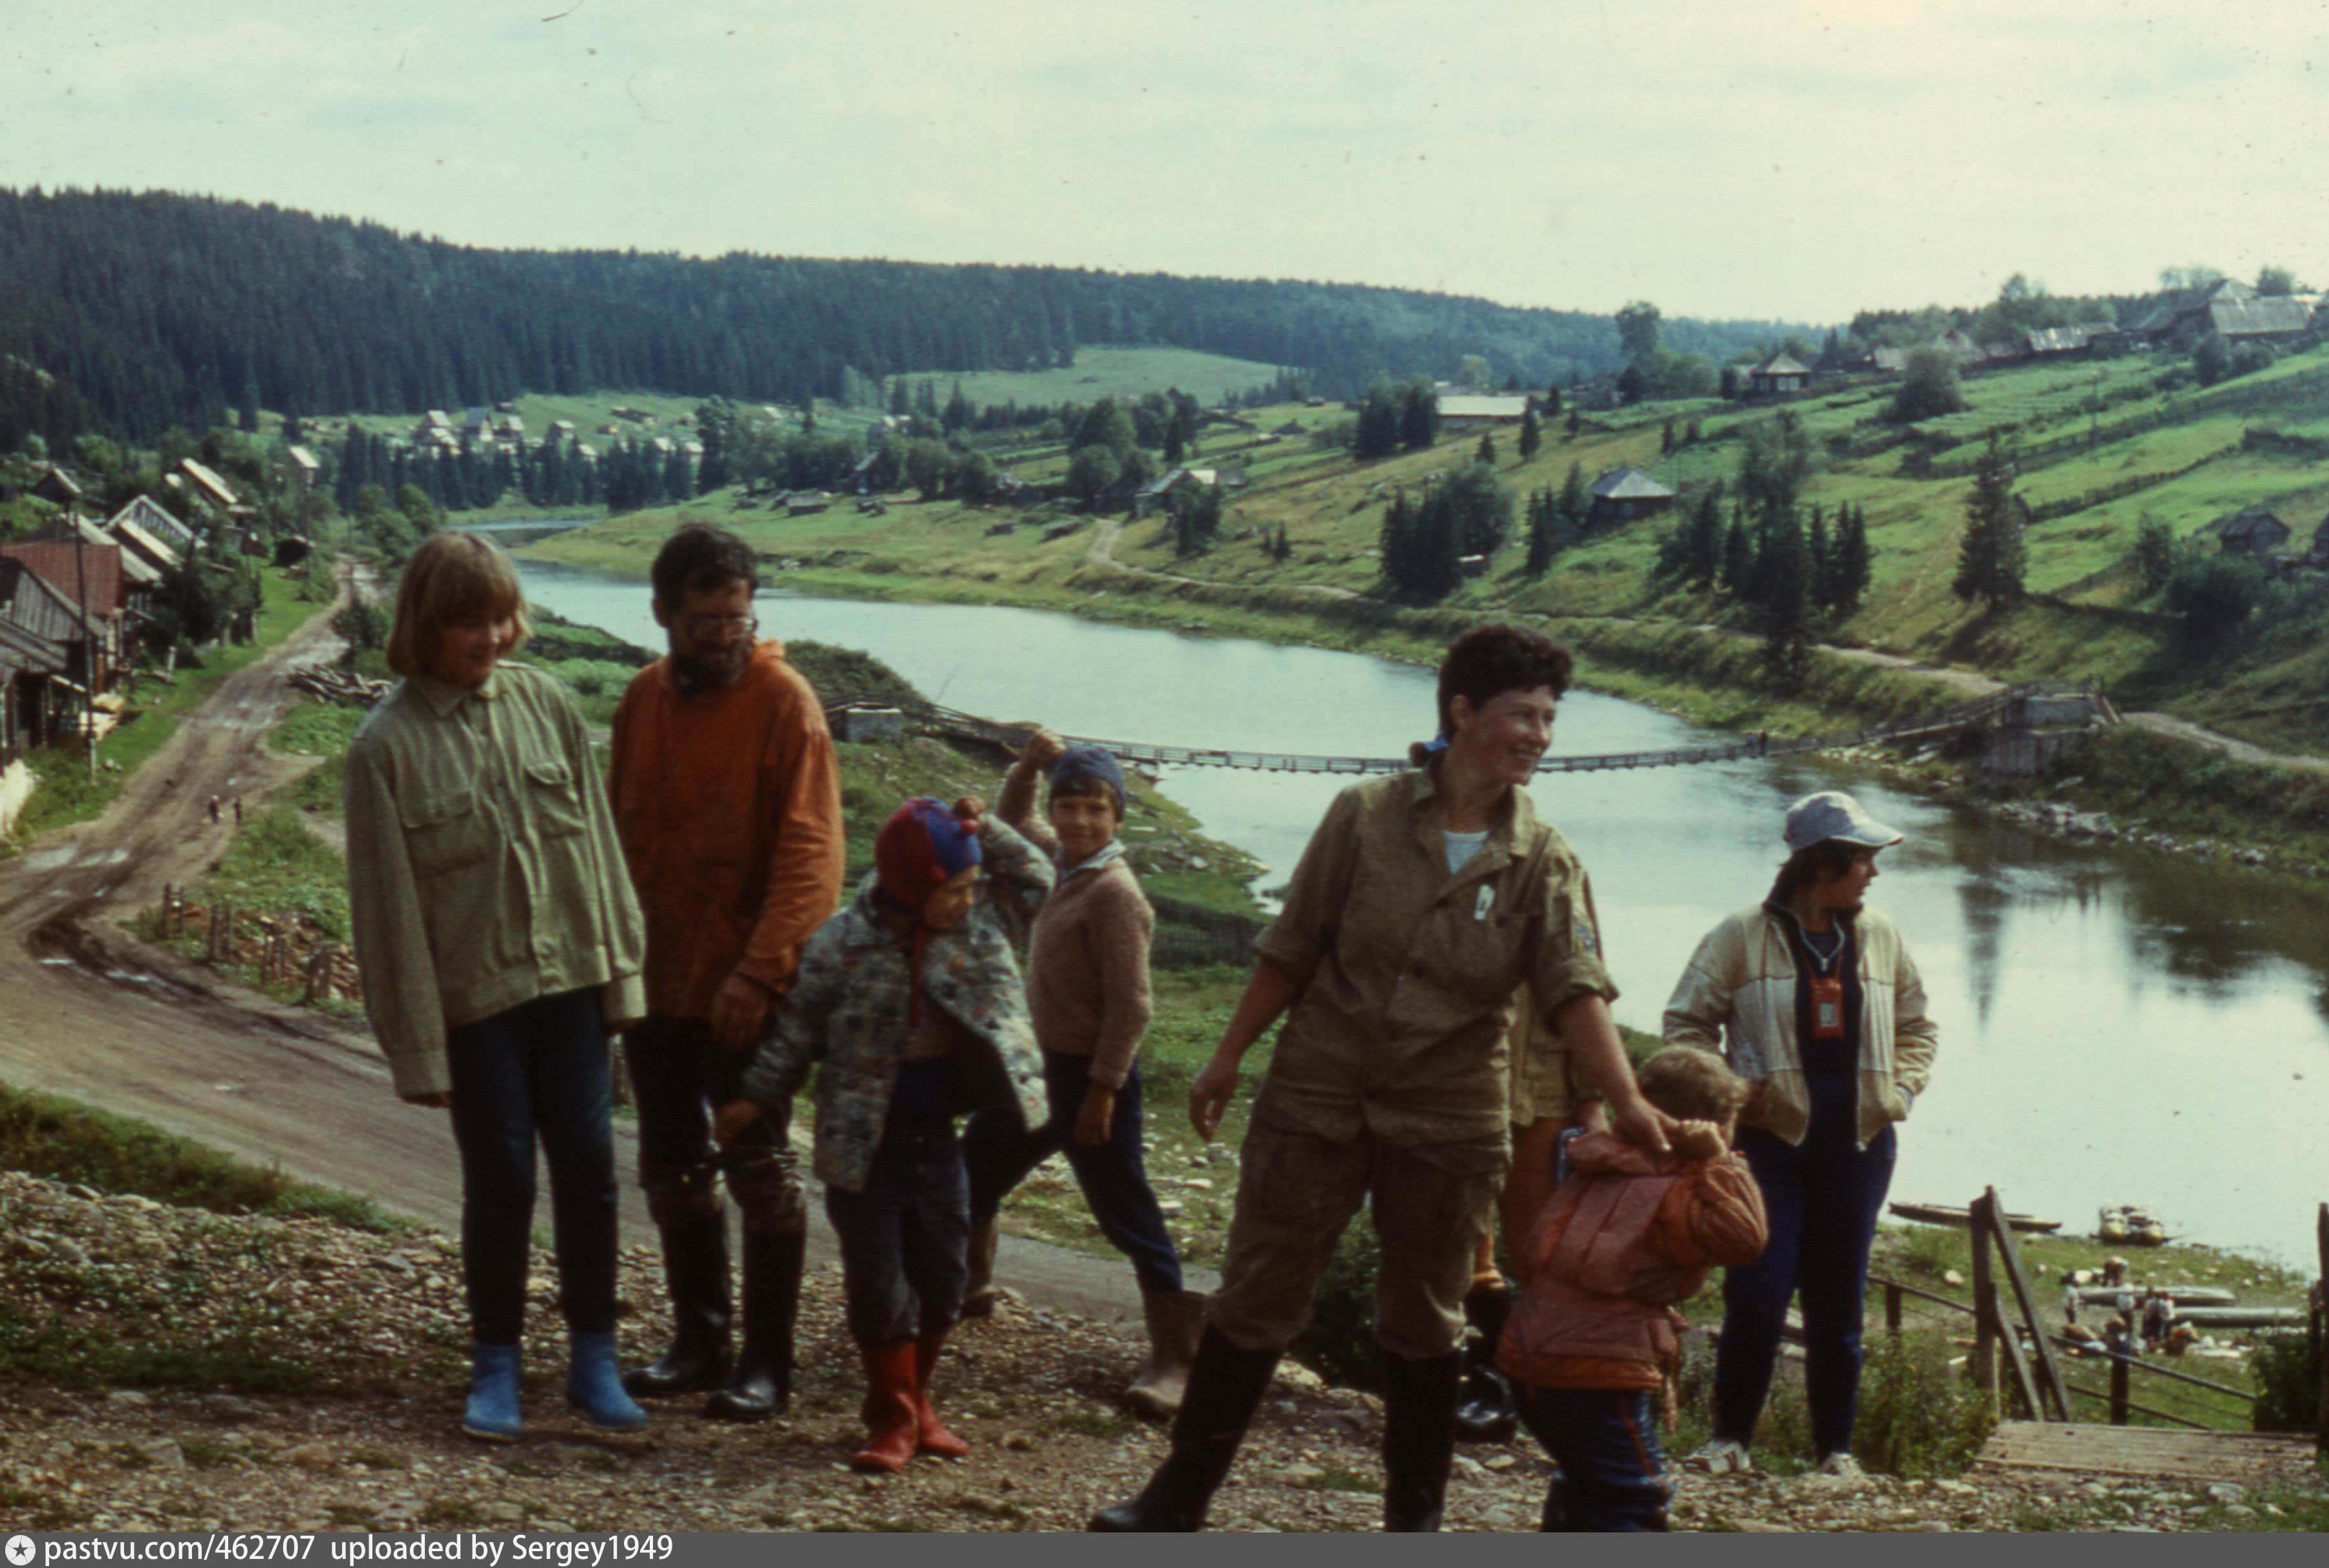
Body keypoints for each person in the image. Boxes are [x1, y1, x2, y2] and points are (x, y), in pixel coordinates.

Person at [1091, 623, 1671, 1534]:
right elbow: (1292, 947)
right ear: (1461, 711)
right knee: (1255, 1293)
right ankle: (1177, 1499)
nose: (1539, 735)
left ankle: (1412, 1526)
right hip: (1318, 1089)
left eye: (1549, 718)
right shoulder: (1360, 816)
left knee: (1426, 1317)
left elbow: (1575, 991)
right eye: (1521, 714)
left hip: (1450, 1111)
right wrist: (1225, 1055)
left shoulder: (1545, 859)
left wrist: (1628, 1100)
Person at [344, 532, 649, 1443]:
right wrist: (417, 1046)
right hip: (475, 1007)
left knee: (592, 1171)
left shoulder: (547, 704)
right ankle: (497, 1367)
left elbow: (597, 848)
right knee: (504, 1179)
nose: (492, 637)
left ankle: (595, 1358)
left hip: (569, 984)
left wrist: (621, 978)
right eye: (470, 623)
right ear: (426, 627)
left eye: (502, 617)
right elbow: (387, 914)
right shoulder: (383, 749)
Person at [718, 795, 1053, 1472]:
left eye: (969, 886)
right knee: (878, 1282)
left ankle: (919, 1402)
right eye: (953, 887)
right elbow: (799, 1028)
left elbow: (1037, 875)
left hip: (941, 1140)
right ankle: (890, 1415)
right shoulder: (841, 942)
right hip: (863, 1145)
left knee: (944, 1273)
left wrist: (980, 826)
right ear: (916, 885)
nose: (966, 898)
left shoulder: (983, 918)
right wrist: (754, 1098)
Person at [608, 524, 844, 1423]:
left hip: (747, 991)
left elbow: (811, 859)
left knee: (759, 1168)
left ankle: (768, 1362)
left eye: (738, 618)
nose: (725, 636)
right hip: (657, 979)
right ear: (663, 613)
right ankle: (699, 1339)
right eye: (706, 619)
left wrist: (759, 975)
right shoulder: (641, 699)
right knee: (671, 1165)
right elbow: (616, 836)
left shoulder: (786, 703)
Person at [1663, 789, 1938, 1481]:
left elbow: (1918, 1027)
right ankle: (1728, 1439)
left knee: (1837, 1302)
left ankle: (1834, 1453)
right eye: (1862, 860)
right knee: (1756, 1292)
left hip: (1857, 1148)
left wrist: (1898, 1091)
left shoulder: (1881, 934)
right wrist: (1727, 1089)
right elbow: (1683, 1025)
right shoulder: (1736, 935)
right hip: (1765, 1148)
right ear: (1823, 863)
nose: (1872, 873)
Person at [960, 729, 1201, 1416]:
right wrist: (1031, 765)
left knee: (1126, 1215)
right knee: (972, 1170)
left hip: (1092, 1082)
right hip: (1037, 1070)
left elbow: (1131, 1008)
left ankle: (1176, 1358)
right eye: (1068, 808)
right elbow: (1013, 820)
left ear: (1117, 818)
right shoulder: (1063, 863)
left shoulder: (1115, 894)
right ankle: (968, 1285)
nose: (1079, 822)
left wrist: (1101, 1092)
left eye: (1096, 811)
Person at [1496, 1047, 1767, 1532]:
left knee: (1584, 1478)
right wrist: (1719, 1161)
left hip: (1527, 1355)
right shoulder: (1678, 1192)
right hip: (1600, 1368)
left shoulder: (1597, 1159)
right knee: (1634, 1495)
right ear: (1712, 1126)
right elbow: (1746, 1237)